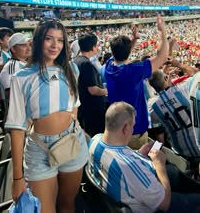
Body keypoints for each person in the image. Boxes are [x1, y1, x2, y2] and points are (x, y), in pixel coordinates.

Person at [5, 19, 88, 213]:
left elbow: (74, 107)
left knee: (68, 205)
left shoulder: (71, 70)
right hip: (39, 150)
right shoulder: (21, 77)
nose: (55, 45)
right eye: (49, 39)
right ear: (38, 40)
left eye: (60, 40)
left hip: (71, 143)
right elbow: (17, 129)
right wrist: (18, 178)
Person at [88, 101, 200, 213]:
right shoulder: (129, 167)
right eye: (133, 126)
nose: (132, 130)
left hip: (126, 186)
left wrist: (139, 153)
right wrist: (159, 164)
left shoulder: (95, 140)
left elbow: (120, 156)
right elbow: (164, 204)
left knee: (173, 173)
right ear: (126, 128)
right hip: (152, 204)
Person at [105, 15, 168, 149]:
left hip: (115, 128)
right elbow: (162, 57)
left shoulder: (109, 66)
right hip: (133, 131)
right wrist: (162, 30)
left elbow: (122, 55)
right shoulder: (133, 71)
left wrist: (134, 40)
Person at [149, 69, 200, 158]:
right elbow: (197, 75)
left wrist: (154, 154)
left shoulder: (152, 108)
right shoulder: (183, 89)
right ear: (166, 78)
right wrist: (179, 65)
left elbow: (160, 140)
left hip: (180, 152)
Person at [73, 33, 108, 137]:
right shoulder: (86, 64)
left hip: (83, 108)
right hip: (92, 110)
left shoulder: (76, 61)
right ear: (93, 47)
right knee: (96, 135)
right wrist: (106, 91)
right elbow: (93, 89)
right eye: (96, 46)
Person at [0, 33, 31, 113]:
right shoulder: (12, 67)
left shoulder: (22, 64)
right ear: (13, 49)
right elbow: (12, 96)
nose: (28, 48)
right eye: (24, 45)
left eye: (29, 45)